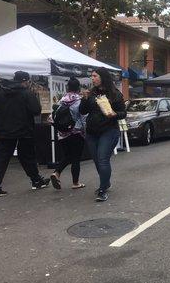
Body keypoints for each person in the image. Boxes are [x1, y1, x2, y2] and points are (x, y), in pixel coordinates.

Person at [0, 71, 50, 198]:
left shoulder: (1, 93)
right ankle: (36, 180)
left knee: (1, 158)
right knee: (27, 156)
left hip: (4, 130)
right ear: (25, 81)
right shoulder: (27, 93)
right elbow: (36, 110)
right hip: (24, 130)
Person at [79, 67, 126, 202]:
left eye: (95, 76)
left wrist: (115, 114)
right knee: (97, 161)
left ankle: (103, 189)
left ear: (103, 77)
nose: (92, 79)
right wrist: (84, 99)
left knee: (102, 159)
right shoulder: (91, 93)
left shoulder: (115, 94)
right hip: (92, 132)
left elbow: (123, 113)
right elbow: (83, 112)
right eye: (92, 76)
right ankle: (106, 182)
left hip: (109, 130)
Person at [50, 77, 87, 190]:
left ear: (67, 87)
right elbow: (83, 118)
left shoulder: (61, 100)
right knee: (75, 158)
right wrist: (85, 132)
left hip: (62, 133)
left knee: (67, 156)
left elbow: (54, 116)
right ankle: (75, 183)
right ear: (78, 88)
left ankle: (57, 173)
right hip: (76, 133)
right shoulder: (79, 101)